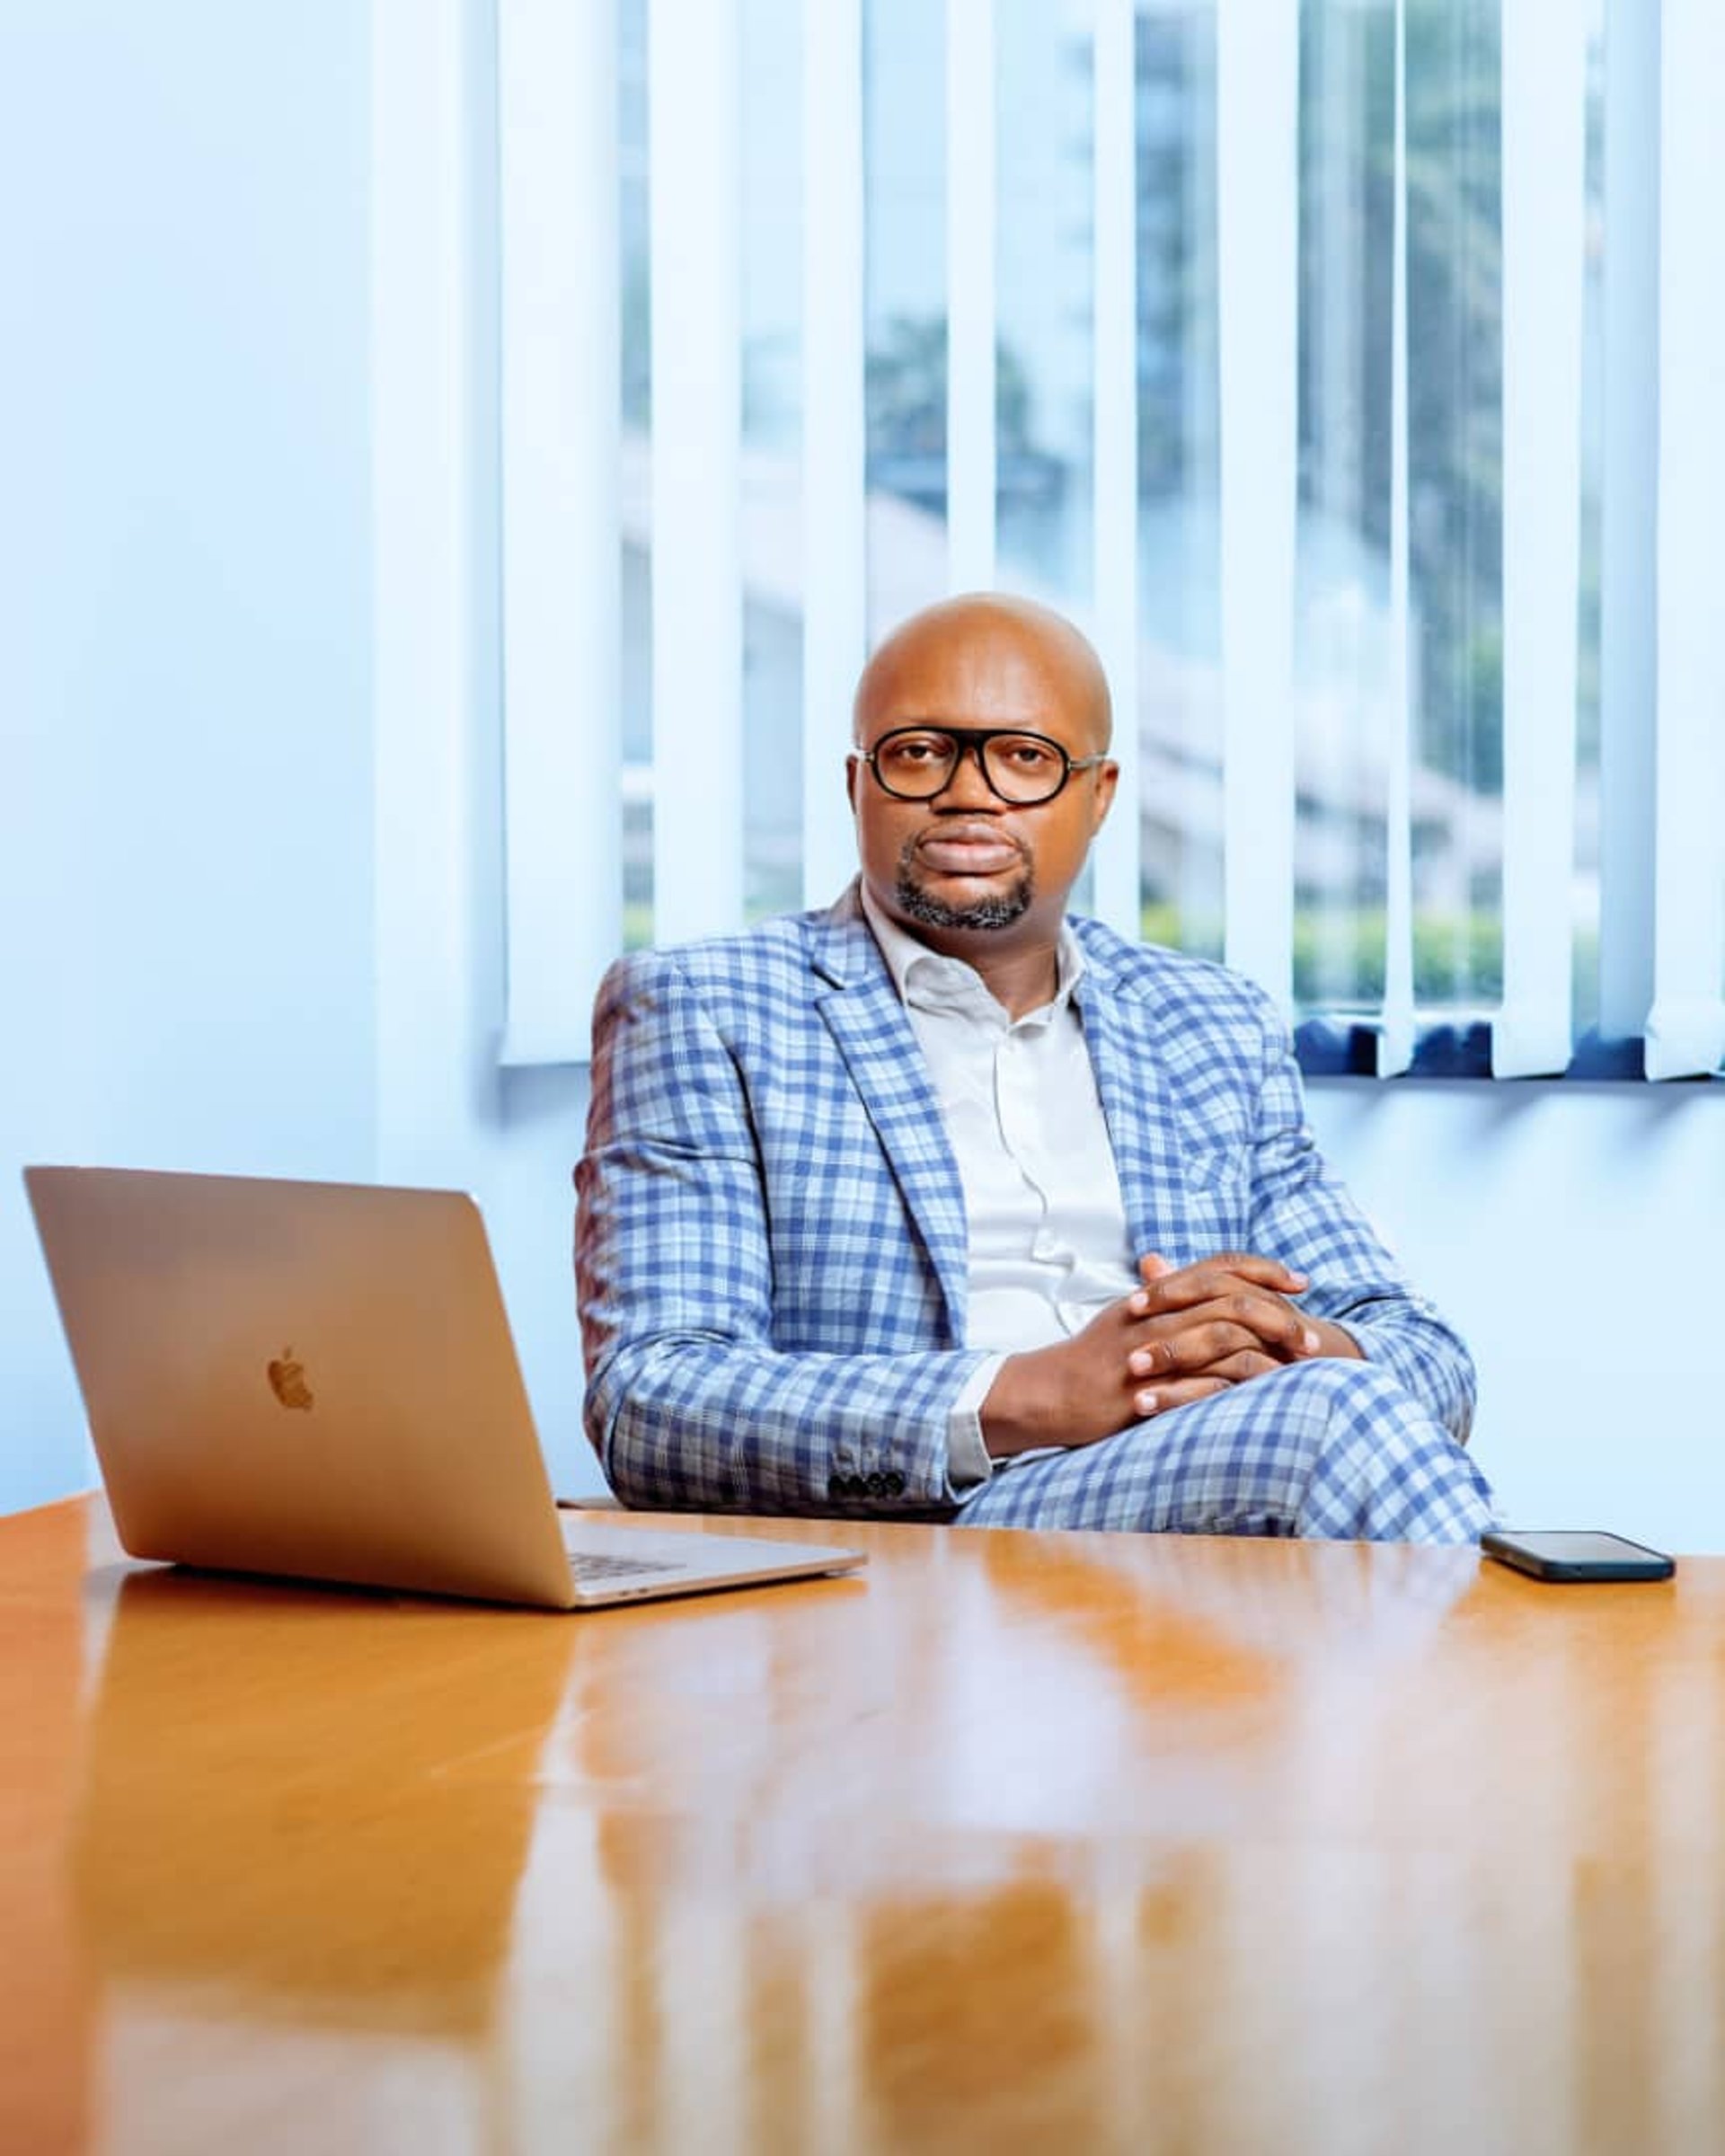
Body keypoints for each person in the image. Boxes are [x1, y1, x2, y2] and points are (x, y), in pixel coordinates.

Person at [576, 595, 1495, 1542]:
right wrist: (1030, 1394)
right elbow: (654, 1399)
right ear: (857, 784)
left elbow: (1428, 1359)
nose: (968, 792)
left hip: (1215, 1495)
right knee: (1337, 1419)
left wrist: (1284, 1347)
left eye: (1025, 758)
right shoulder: (706, 1007)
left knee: (1345, 1400)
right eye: (919, 751)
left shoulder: (1211, 1022)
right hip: (935, 1526)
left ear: (1099, 794)